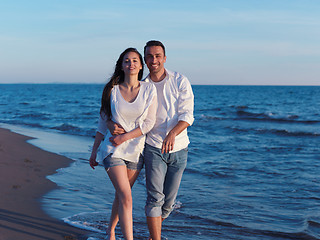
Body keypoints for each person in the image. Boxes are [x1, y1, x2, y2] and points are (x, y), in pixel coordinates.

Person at [89, 47, 157, 240]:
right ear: (121, 65)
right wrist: (94, 152)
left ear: (141, 65)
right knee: (126, 196)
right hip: (113, 150)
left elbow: (149, 123)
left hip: (136, 152)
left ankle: (110, 230)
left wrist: (124, 137)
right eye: (127, 61)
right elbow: (103, 121)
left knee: (121, 195)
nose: (131, 64)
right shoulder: (112, 90)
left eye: (135, 60)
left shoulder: (149, 89)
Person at [143, 40, 194, 240]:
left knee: (168, 204)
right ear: (145, 60)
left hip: (180, 148)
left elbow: (187, 114)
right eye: (149, 56)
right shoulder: (143, 86)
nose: (154, 60)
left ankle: (153, 233)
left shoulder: (180, 80)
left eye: (157, 56)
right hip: (154, 147)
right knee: (155, 198)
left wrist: (173, 133)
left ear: (164, 58)